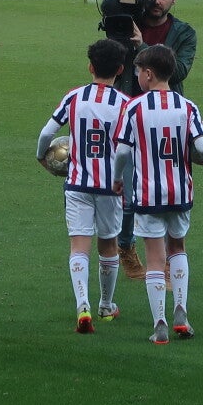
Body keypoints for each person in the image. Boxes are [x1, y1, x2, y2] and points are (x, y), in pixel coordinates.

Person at [114, 44, 203, 344]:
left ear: (148, 74)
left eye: (138, 71)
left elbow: (122, 152)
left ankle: (159, 323)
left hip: (148, 194)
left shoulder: (134, 108)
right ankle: (181, 311)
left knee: (155, 258)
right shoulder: (187, 106)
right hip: (180, 191)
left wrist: (118, 179)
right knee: (178, 248)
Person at [36, 38, 130, 331]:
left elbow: (47, 133)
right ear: (120, 69)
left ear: (90, 67)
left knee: (79, 245)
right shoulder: (125, 104)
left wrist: (41, 156)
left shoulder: (74, 97)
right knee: (109, 244)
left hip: (77, 184)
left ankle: (82, 305)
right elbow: (127, 149)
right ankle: (106, 306)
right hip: (110, 187)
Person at [114, 0, 197, 280]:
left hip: (167, 121)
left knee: (169, 192)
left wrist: (141, 48)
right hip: (130, 115)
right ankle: (125, 246)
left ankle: (167, 256)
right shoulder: (125, 23)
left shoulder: (184, 32)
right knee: (128, 193)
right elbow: (110, 63)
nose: (157, 2)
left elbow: (179, 71)